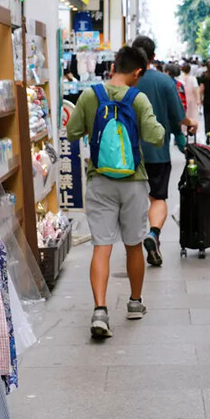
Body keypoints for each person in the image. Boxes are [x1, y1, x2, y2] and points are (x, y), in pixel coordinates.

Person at [65, 45, 165, 338]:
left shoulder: (89, 95)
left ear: (113, 66)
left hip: (99, 180)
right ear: (137, 72)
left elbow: (72, 132)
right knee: (134, 244)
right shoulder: (139, 98)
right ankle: (135, 303)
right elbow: (155, 137)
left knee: (102, 246)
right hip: (133, 181)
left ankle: (100, 310)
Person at [133, 36, 195, 268]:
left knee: (133, 199)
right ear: (153, 56)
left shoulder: (124, 81)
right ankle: (153, 234)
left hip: (125, 154)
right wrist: (184, 137)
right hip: (157, 153)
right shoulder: (165, 82)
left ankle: (133, 241)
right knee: (158, 198)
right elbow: (177, 118)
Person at [180, 62, 201, 128]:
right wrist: (198, 99)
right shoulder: (193, 78)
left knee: (184, 114)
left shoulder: (180, 79)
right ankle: (192, 128)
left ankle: (183, 129)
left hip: (182, 99)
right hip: (192, 99)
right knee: (192, 114)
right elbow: (196, 89)